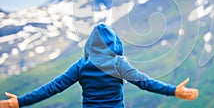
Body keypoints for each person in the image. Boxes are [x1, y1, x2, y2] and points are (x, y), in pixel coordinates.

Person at [0, 23, 199, 107]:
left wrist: (20, 102)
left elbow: (53, 88)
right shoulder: (119, 63)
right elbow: (145, 82)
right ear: (115, 44)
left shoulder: (81, 66)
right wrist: (174, 91)